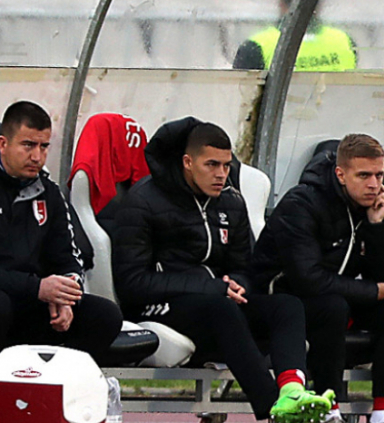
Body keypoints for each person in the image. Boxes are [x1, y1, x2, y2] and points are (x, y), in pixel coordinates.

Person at [113, 117, 332, 423]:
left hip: (218, 304)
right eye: (211, 165)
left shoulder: (231, 202)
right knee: (221, 308)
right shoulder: (143, 201)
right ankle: (272, 407)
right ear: (188, 162)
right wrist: (213, 287)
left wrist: (239, 283)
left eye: (227, 166)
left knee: (287, 306)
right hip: (160, 306)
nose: (221, 174)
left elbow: (244, 267)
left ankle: (292, 391)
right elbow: (132, 283)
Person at [0, 101, 123, 423]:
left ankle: (54, 400)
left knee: (104, 316)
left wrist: (66, 295)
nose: (37, 156)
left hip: (31, 299)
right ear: (3, 144)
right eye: (28, 145)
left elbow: (70, 257)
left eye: (44, 146)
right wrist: (38, 288)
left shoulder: (48, 191)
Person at [253, 134, 384, 423]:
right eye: (363, 175)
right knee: (332, 307)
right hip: (287, 299)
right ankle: (330, 406)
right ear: (340, 174)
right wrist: (370, 291)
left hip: (339, 295)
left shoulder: (371, 206)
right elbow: (307, 278)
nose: (374, 184)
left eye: (379, 175)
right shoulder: (302, 203)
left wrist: (377, 226)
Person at [233, 0, 357, 71]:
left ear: (280, 2)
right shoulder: (345, 42)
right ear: (320, 2)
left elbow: (241, 90)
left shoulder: (256, 48)